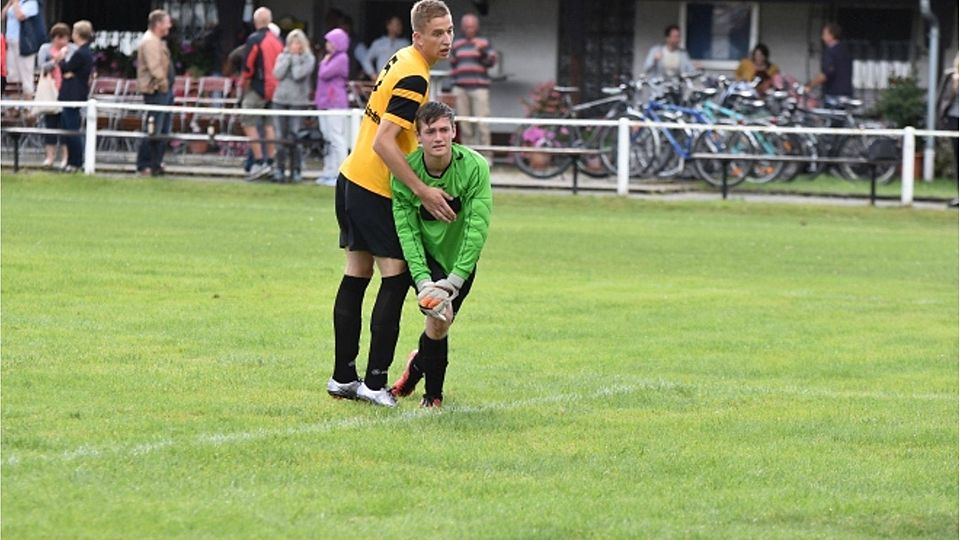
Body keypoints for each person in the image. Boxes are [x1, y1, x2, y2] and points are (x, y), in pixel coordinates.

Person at [325, 0, 456, 408]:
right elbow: (385, 142)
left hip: (351, 178)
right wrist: (423, 189)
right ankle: (375, 382)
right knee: (396, 278)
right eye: (438, 33)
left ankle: (343, 377)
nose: (447, 39)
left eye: (449, 31)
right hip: (373, 188)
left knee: (356, 273)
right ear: (419, 36)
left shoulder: (402, 56)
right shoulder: (415, 74)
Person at [389, 102, 491, 408]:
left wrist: (455, 280)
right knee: (439, 318)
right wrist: (422, 280)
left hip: (461, 260)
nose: (438, 137)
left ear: (454, 132)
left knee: (441, 325)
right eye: (430, 131)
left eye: (444, 129)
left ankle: (416, 366)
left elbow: (477, 228)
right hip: (426, 259)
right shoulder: (406, 173)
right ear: (418, 137)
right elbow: (407, 232)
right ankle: (433, 397)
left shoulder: (475, 167)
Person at [240, 7, 283, 181]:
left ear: (256, 21)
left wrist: (243, 87)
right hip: (276, 90)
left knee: (247, 120)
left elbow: (248, 67)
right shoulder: (278, 41)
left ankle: (258, 161)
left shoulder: (255, 39)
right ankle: (271, 161)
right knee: (269, 125)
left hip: (259, 89)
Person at [271, 29, 315, 183]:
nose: (293, 46)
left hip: (298, 102)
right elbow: (277, 74)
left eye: (297, 43)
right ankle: (279, 169)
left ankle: (296, 170)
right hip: (280, 101)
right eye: (291, 43)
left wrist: (295, 58)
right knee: (280, 137)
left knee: (294, 136)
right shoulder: (282, 56)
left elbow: (298, 74)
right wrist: (287, 59)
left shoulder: (309, 59)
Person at [449, 13, 496, 154]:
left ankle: (487, 158)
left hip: (479, 88)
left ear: (477, 27)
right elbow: (453, 63)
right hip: (460, 88)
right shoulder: (456, 43)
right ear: (463, 27)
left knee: (483, 124)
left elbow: (491, 62)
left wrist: (482, 51)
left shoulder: (484, 42)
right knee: (464, 125)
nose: (469, 29)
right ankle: (469, 157)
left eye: (472, 26)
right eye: (467, 26)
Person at [135, 10, 174, 177]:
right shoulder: (150, 41)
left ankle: (155, 163)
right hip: (156, 90)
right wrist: (164, 84)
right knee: (153, 128)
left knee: (162, 129)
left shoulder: (156, 40)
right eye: (167, 22)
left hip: (161, 90)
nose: (170, 26)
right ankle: (145, 164)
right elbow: (154, 67)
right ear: (158, 24)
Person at [55, 19, 93, 173]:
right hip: (75, 92)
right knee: (68, 127)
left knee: (72, 128)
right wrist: (68, 72)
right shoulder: (85, 52)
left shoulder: (81, 53)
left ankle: (76, 161)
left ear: (77, 34)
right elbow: (69, 72)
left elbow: (67, 69)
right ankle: (72, 160)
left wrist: (61, 59)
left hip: (73, 94)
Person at [314, 27, 349, 185]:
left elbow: (324, 73)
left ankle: (341, 173)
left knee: (336, 138)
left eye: (330, 41)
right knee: (327, 138)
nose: (327, 44)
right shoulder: (330, 58)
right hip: (324, 102)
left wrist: (324, 62)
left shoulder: (341, 58)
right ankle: (328, 171)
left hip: (335, 103)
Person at [36, 22, 74, 168]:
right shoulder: (45, 49)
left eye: (65, 38)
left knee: (65, 125)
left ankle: (65, 157)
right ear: (54, 38)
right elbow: (42, 67)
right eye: (60, 38)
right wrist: (56, 60)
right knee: (50, 124)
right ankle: (50, 157)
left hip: (65, 90)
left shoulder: (72, 50)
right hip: (49, 91)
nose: (63, 42)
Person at [805, 23, 853, 103]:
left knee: (829, 115)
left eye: (824, 34)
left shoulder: (830, 52)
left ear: (831, 35)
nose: (822, 37)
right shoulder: (845, 51)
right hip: (847, 94)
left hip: (834, 94)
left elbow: (827, 73)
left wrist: (810, 85)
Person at [3, 0, 41, 99]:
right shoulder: (15, 2)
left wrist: (15, 4)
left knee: (26, 74)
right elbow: (3, 16)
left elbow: (20, 16)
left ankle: (27, 105)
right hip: (10, 41)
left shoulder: (31, 3)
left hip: (23, 42)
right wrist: (9, 4)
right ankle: (13, 104)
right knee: (12, 74)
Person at [361, 15, 406, 80]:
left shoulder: (405, 43)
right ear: (388, 26)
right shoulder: (379, 43)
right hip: (382, 79)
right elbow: (366, 60)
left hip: (399, 80)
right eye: (397, 24)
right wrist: (372, 74)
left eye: (400, 24)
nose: (400, 27)